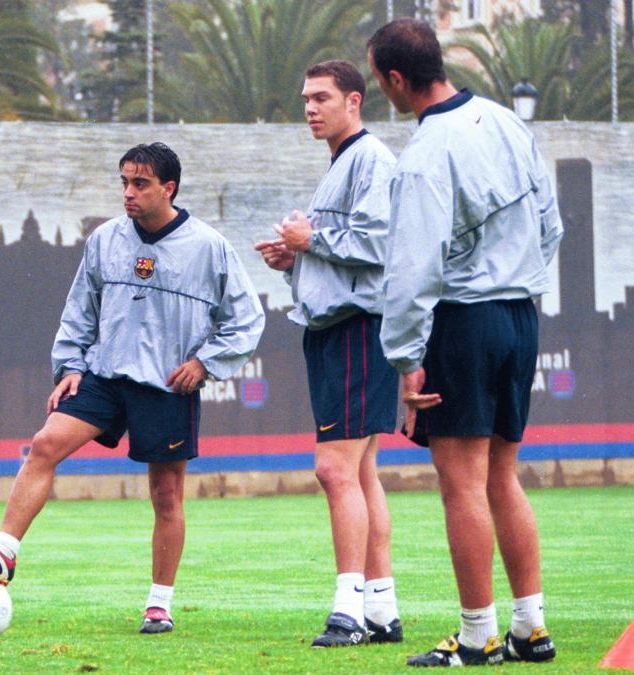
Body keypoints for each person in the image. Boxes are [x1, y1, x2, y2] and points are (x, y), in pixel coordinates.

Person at [0, 142, 265, 634]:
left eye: (140, 184)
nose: (129, 193)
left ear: (169, 188)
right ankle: (3, 553)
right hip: (105, 375)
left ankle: (159, 604)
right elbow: (81, 308)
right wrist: (71, 364)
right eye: (124, 182)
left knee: (165, 494)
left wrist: (205, 363)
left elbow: (246, 320)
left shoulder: (209, 247)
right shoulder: (105, 239)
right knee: (44, 444)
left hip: (165, 384)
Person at [367, 19, 562, 667]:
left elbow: (413, 269)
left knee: (462, 484)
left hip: (464, 323)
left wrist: (404, 358)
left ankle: (477, 635)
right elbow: (551, 223)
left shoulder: (423, 155)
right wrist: (518, 278)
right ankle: (530, 628)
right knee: (501, 476)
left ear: (397, 79)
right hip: (519, 314)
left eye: (378, 81)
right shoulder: (507, 121)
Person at [254, 59, 402, 649]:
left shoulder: (371, 159)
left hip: (358, 330)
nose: (311, 108)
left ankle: (348, 611)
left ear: (355, 101)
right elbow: (348, 252)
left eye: (322, 97)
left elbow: (382, 243)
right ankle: (383, 610)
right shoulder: (342, 161)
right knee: (361, 472)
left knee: (333, 468)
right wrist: (298, 260)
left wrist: (310, 240)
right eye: (305, 99)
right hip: (337, 328)